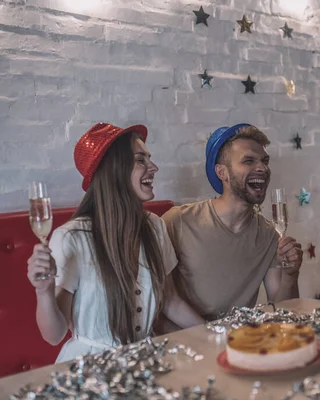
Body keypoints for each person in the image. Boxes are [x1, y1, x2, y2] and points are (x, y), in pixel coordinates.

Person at [27, 123, 205, 363]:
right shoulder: (71, 237)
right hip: (90, 367)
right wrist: (44, 291)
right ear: (114, 169)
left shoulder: (154, 226)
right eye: (141, 159)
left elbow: (170, 299)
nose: (154, 167)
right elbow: (54, 335)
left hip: (143, 360)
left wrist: (215, 333)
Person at [160, 123, 304, 328]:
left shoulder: (268, 234)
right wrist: (214, 337)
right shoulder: (177, 222)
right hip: (182, 346)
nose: (262, 168)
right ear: (222, 172)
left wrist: (291, 275)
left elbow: (282, 312)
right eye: (248, 160)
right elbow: (163, 299)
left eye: (264, 161)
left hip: (236, 343)